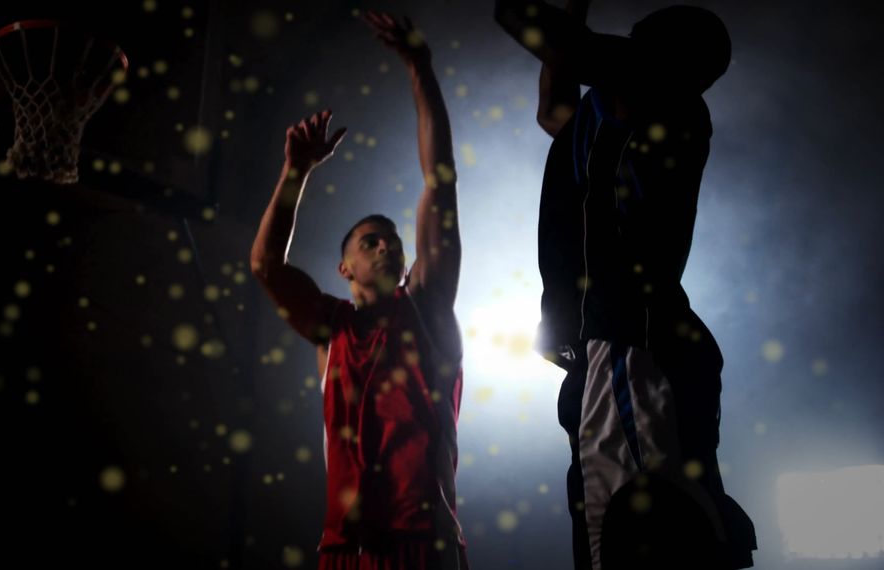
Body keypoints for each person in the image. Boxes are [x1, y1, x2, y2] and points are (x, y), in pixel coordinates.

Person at [493, 1, 756, 568]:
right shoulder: (618, 115)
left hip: (629, 341)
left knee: (630, 535)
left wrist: (557, 15)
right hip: (628, 345)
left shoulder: (669, 99)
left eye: (634, 42)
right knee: (657, 522)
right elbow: (554, 110)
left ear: (659, 58)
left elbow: (546, 34)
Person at [250, 12, 468, 570]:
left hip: (424, 544)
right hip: (345, 551)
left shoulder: (427, 306)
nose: (386, 247)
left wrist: (420, 67)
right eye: (371, 241)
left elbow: (438, 178)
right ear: (344, 267)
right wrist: (294, 172)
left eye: (392, 241)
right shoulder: (331, 328)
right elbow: (265, 264)